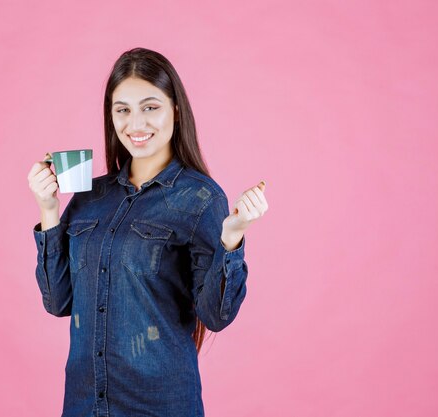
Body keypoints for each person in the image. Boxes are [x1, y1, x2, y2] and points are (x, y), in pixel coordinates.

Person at [27, 47, 269, 417]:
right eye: (122, 109)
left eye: (150, 107)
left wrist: (232, 238)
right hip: (85, 404)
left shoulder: (201, 198)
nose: (135, 124)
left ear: (175, 109)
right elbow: (57, 302)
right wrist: (48, 209)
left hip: (160, 405)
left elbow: (216, 316)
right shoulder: (90, 197)